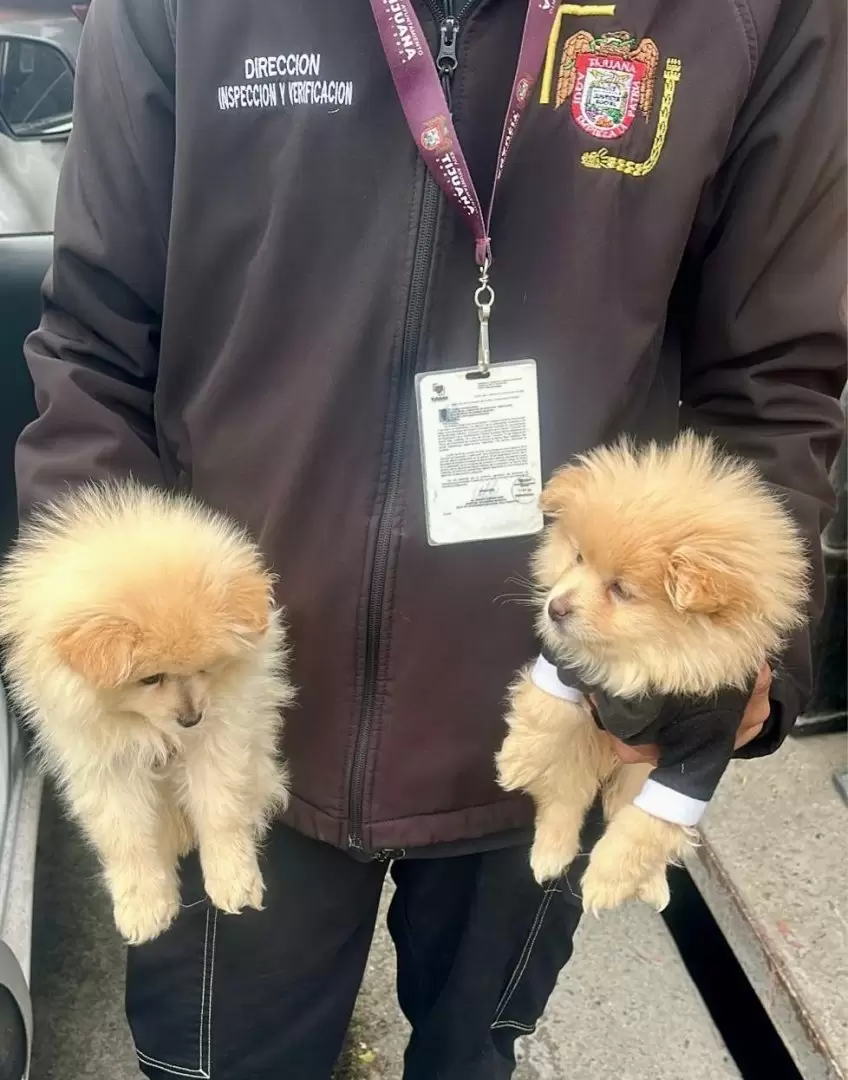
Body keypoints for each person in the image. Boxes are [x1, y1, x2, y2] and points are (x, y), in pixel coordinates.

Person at [14, 0, 846, 1077]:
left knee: (475, 1057)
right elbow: (93, 338)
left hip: (559, 701)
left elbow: (774, 383)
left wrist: (737, 653)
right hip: (238, 708)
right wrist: (103, 630)